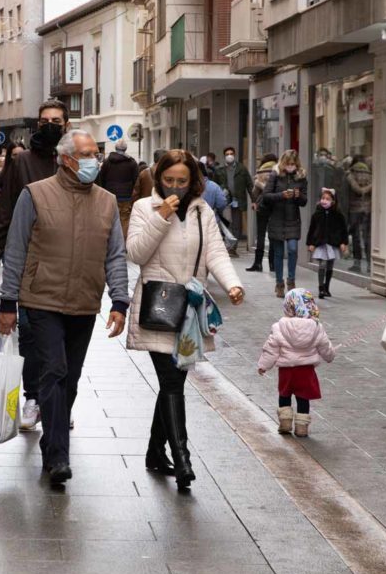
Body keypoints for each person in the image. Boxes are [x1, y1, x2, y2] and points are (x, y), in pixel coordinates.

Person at [0, 129, 130, 485]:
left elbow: (115, 254)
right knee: (53, 371)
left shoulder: (105, 201)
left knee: (70, 378)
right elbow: (16, 250)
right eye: (87, 155)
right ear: (67, 159)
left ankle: (52, 439)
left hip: (85, 302)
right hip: (42, 300)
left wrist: (119, 300)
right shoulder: (35, 195)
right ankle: (58, 453)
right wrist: (7, 303)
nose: (93, 161)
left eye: (95, 155)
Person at [125, 149, 244, 490]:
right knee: (172, 381)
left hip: (190, 309)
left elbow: (215, 252)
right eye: (168, 180)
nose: (175, 186)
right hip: (158, 306)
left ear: (194, 182)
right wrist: (160, 217)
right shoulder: (144, 208)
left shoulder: (201, 210)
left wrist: (232, 285)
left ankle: (153, 451)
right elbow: (136, 253)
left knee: (171, 384)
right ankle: (182, 458)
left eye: (182, 180)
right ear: (158, 178)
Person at [0, 100, 69, 432]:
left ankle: (58, 398)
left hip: (65, 260)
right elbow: (4, 210)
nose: (50, 124)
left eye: (56, 120)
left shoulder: (74, 160)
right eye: (45, 119)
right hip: (30, 261)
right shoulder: (21, 162)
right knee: (32, 334)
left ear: (66, 124)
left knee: (62, 338)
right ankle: (34, 397)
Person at [257, 289, 335, 438]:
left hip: (286, 371)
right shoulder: (316, 327)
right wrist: (330, 356)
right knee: (303, 397)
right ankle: (301, 428)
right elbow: (325, 346)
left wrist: (263, 365)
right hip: (306, 370)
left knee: (284, 394)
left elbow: (271, 348)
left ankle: (285, 423)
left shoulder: (280, 326)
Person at [261, 150, 309, 298]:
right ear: (283, 163)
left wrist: (298, 195)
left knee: (293, 249)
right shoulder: (275, 175)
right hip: (276, 218)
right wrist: (281, 195)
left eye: (293, 164)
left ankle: (291, 280)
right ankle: (279, 283)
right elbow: (266, 196)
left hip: (292, 219)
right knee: (279, 253)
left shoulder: (301, 177)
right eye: (288, 164)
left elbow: (304, 201)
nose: (290, 167)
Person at [306, 188, 348, 299]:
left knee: (330, 265)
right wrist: (310, 243)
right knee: (323, 264)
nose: (324, 200)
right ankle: (320, 288)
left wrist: (343, 242)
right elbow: (312, 229)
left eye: (327, 199)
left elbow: (343, 229)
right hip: (320, 243)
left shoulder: (338, 215)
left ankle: (327, 287)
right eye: (323, 198)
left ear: (333, 201)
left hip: (332, 243)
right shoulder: (317, 214)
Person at [213, 147, 254, 257]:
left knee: (236, 225)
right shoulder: (219, 170)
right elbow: (214, 186)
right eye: (227, 154)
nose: (229, 155)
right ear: (224, 156)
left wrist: (254, 200)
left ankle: (232, 248)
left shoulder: (242, 169)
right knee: (224, 224)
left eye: (231, 153)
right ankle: (223, 246)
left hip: (237, 201)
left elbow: (250, 185)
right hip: (224, 202)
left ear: (234, 155)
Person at [99, 137, 140, 238]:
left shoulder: (107, 162)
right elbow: (135, 179)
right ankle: (123, 242)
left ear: (115, 148)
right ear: (125, 149)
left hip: (110, 195)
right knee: (124, 219)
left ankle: (110, 240)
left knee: (109, 218)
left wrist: (105, 190)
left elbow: (102, 177)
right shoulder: (132, 162)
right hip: (125, 196)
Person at [246, 153, 278, 273]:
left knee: (261, 235)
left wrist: (259, 185)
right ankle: (272, 263)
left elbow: (254, 192)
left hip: (263, 206)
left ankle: (258, 263)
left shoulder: (260, 172)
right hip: (275, 206)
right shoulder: (277, 170)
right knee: (273, 235)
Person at [346, 159, 372, 273]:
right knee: (367, 236)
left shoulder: (351, 174)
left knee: (356, 236)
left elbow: (355, 189)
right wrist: (368, 188)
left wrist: (362, 190)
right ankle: (370, 265)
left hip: (354, 209)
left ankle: (357, 264)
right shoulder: (370, 175)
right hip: (367, 208)